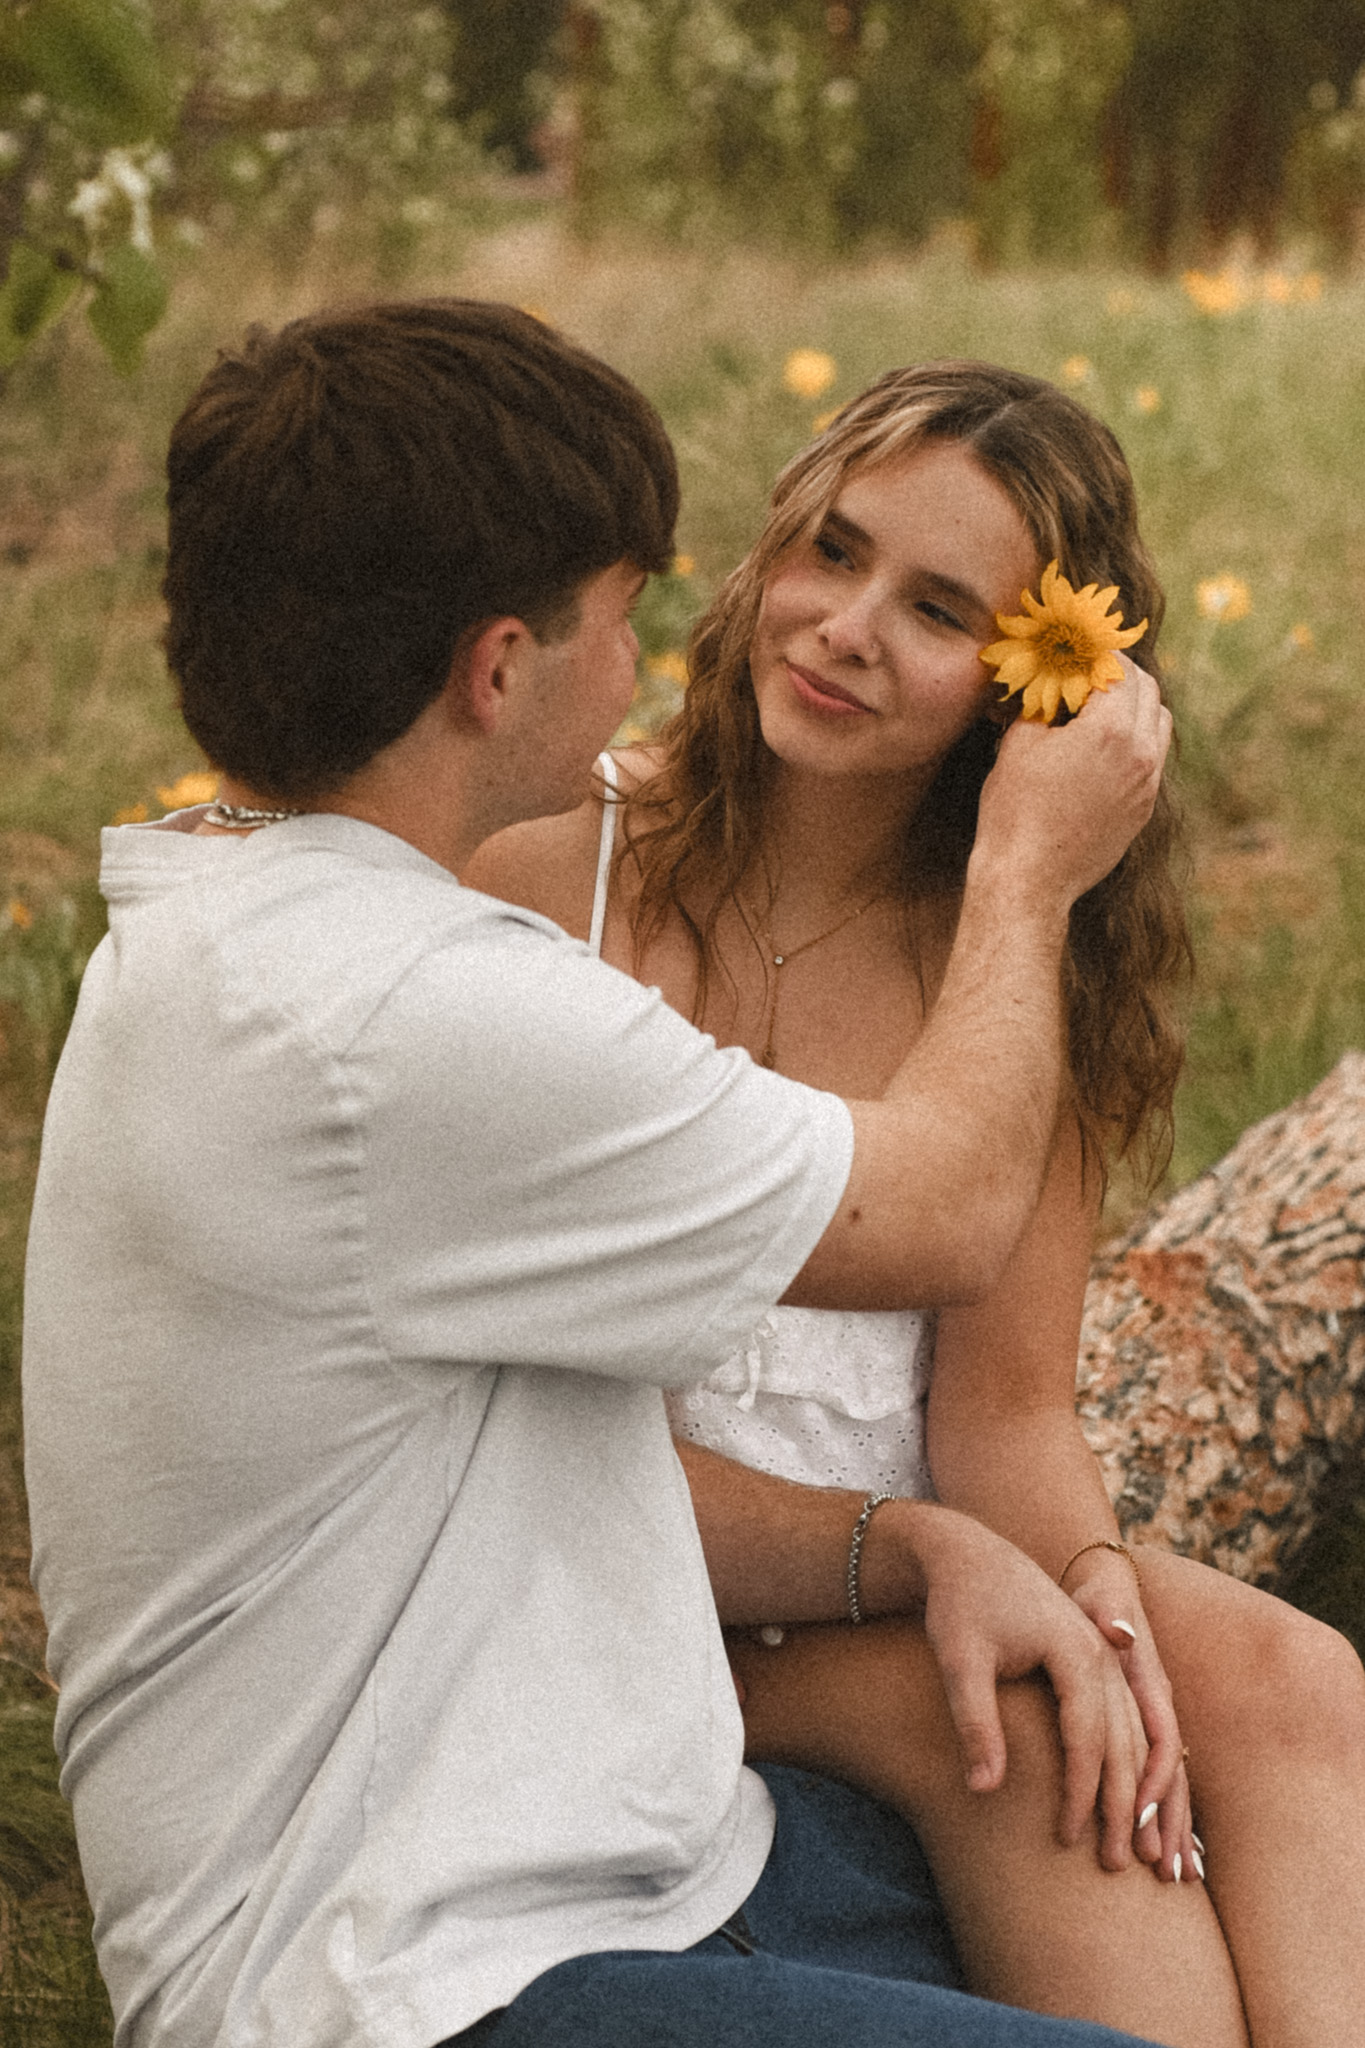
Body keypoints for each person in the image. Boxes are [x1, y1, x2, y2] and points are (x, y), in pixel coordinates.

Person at [22, 302, 1173, 2048]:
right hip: (411, 1965)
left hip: (639, 1843)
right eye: (616, 618)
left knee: (1212, 1764)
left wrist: (926, 1546)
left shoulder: (251, 915)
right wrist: (1029, 871)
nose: (648, 663)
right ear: (497, 668)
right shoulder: (428, 1011)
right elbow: (936, 1208)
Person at [464, 359, 1365, 2048]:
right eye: (830, 550)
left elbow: (1008, 1412)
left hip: (904, 1553)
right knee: (1034, 1725)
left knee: (1283, 1681)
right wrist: (1020, 1625)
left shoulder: (1016, 964)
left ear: (1033, 693)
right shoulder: (547, 869)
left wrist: (1099, 1593)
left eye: (942, 609)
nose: (844, 626)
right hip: (632, 1586)